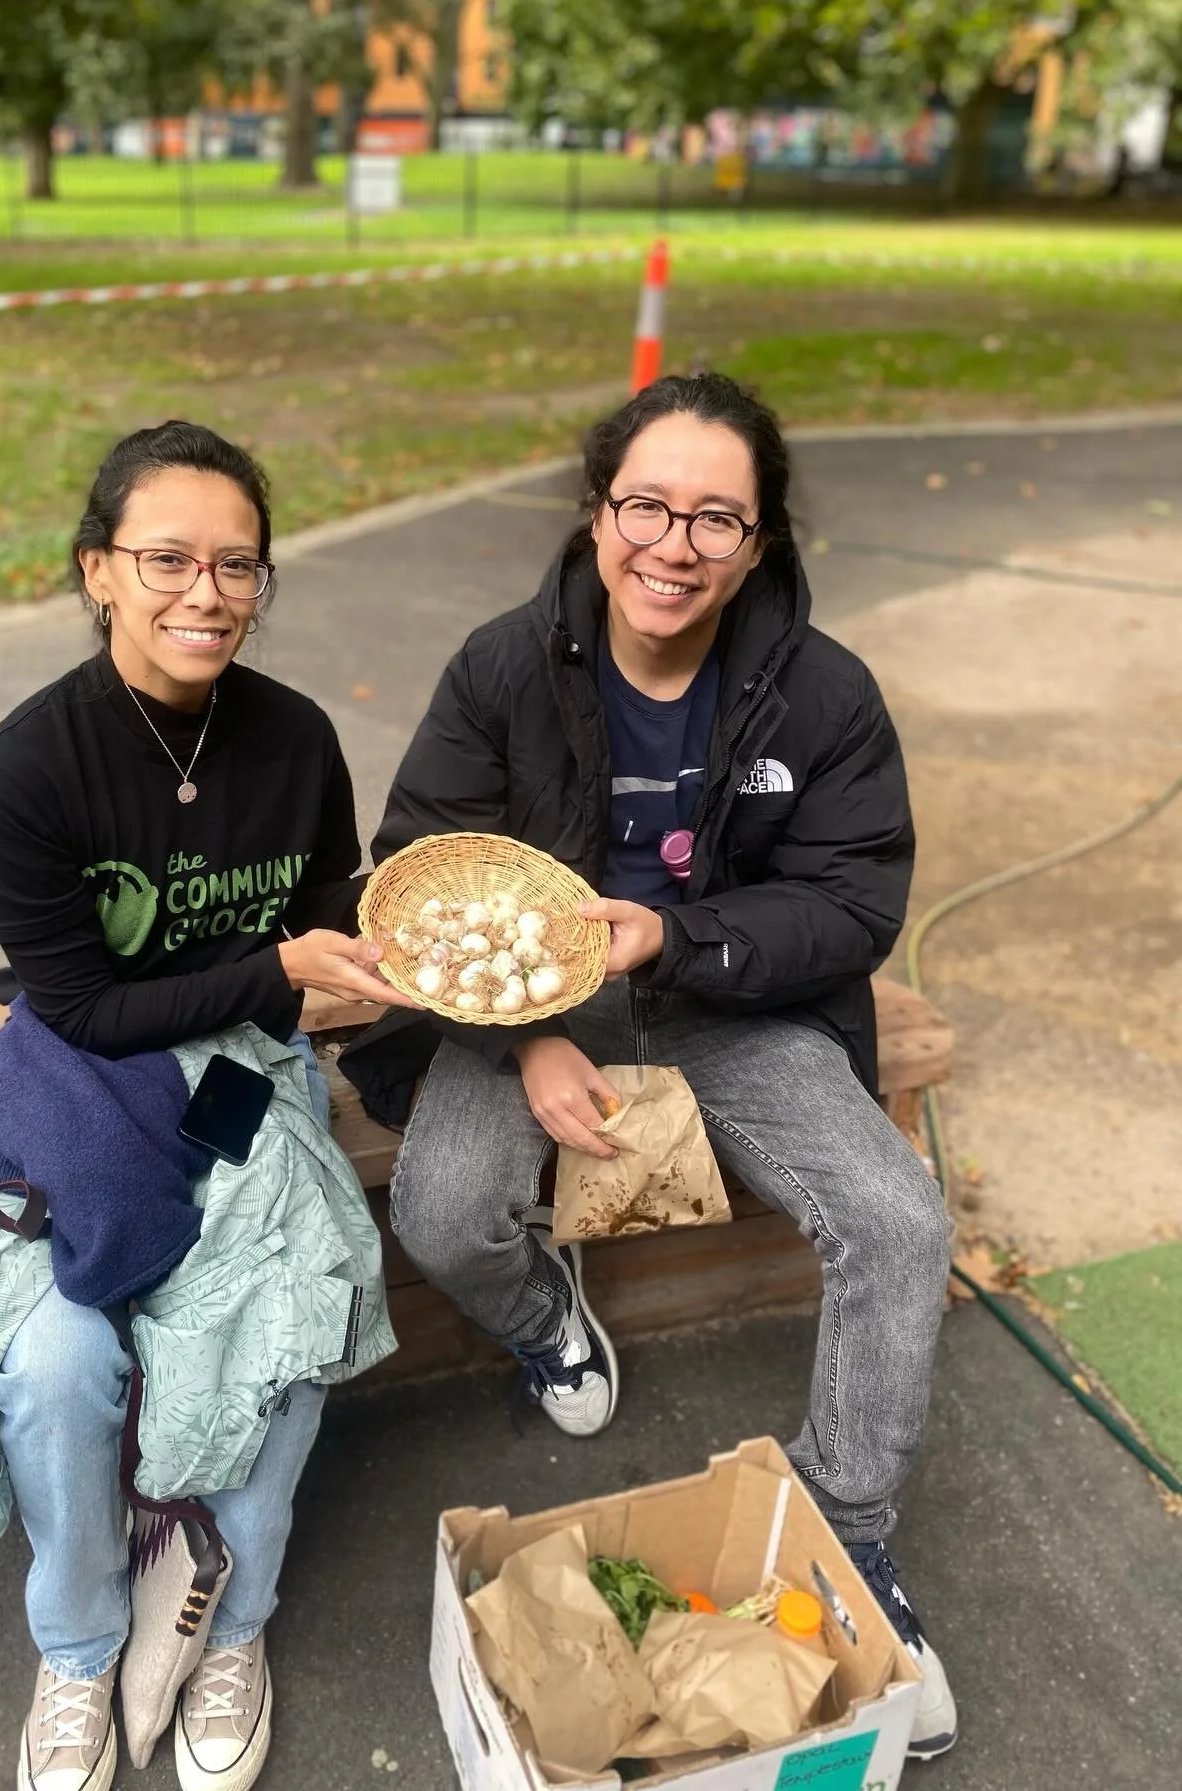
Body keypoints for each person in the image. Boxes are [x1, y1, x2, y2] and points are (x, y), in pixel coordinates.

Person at [346, 372, 958, 1760]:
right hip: (522, 1003)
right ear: (597, 508)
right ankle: (545, 1313)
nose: (671, 546)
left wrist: (674, 939)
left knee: (900, 1219)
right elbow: (422, 872)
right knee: (440, 1209)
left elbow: (856, 901)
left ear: (760, 540)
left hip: (720, 986)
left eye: (714, 519)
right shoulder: (503, 666)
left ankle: (851, 1541)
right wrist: (534, 1032)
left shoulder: (824, 691)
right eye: (645, 506)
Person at [0, 420, 408, 1791]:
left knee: (281, 1324)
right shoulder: (28, 769)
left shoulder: (294, 738)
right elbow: (82, 1009)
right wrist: (271, 967)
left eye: (237, 566)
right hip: (84, 1082)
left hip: (241, 1079)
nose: (205, 592)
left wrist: (355, 970)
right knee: (54, 1364)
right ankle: (80, 1647)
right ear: (100, 569)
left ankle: (237, 1626)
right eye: (166, 558)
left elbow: (332, 905)